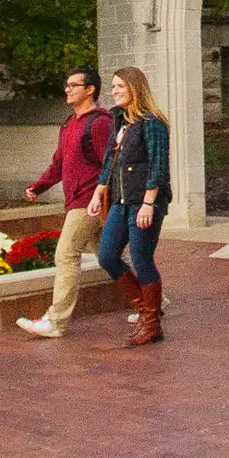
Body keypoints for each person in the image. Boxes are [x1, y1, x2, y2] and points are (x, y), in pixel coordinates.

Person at [12, 67, 114, 340]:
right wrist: (39, 186)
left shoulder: (100, 122)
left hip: (88, 200)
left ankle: (56, 321)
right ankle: (154, 301)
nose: (67, 89)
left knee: (66, 254)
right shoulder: (69, 124)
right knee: (110, 257)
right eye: (66, 85)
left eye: (73, 85)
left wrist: (105, 199)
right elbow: (59, 163)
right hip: (75, 199)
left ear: (90, 89)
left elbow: (110, 164)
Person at [96, 65, 176, 348]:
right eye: (114, 86)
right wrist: (99, 190)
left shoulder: (152, 122)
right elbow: (110, 159)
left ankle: (152, 325)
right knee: (106, 256)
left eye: (121, 86)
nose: (115, 91)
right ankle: (146, 311)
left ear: (135, 88)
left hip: (145, 201)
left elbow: (158, 164)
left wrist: (148, 204)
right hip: (120, 199)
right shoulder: (118, 120)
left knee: (142, 260)